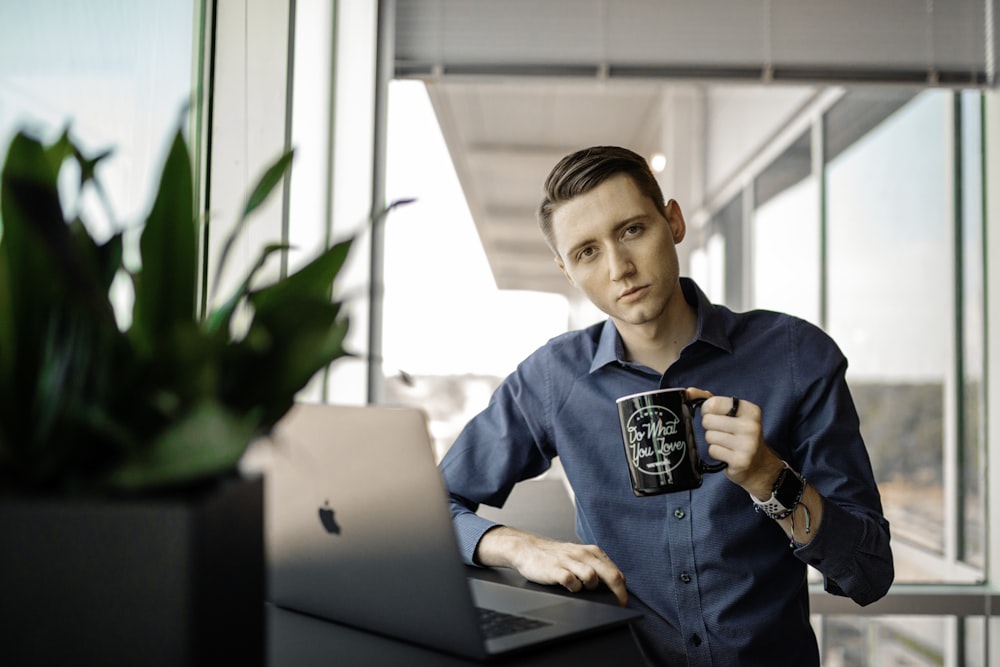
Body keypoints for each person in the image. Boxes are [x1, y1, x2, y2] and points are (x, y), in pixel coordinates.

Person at [438, 146, 893, 666]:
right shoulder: (550, 378)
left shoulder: (794, 355)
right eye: (587, 252)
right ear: (566, 271)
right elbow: (431, 509)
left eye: (632, 230)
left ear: (672, 222)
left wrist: (769, 477)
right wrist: (516, 546)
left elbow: (869, 572)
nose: (619, 268)